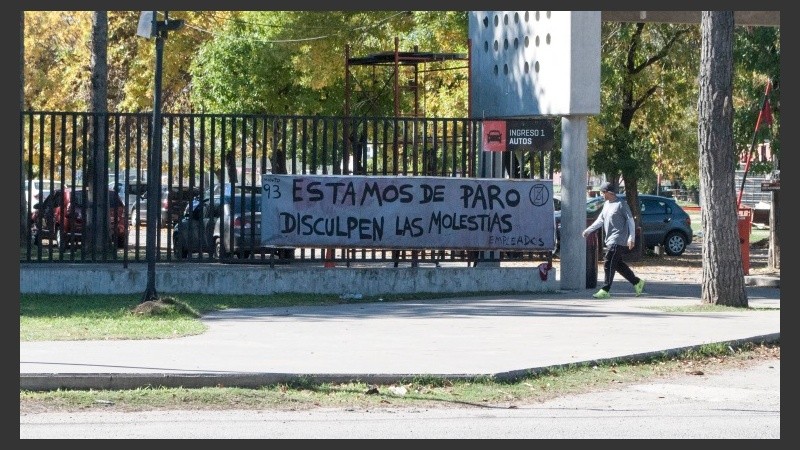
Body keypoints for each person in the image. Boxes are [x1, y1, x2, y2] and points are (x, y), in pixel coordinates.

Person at [582, 181, 645, 299]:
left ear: (609, 192)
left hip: (618, 239)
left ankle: (605, 289)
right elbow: (600, 220)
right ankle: (637, 282)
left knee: (608, 262)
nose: (601, 195)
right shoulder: (606, 204)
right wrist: (588, 230)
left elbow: (630, 220)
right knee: (617, 264)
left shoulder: (621, 204)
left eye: (603, 192)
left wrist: (631, 237)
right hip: (610, 239)